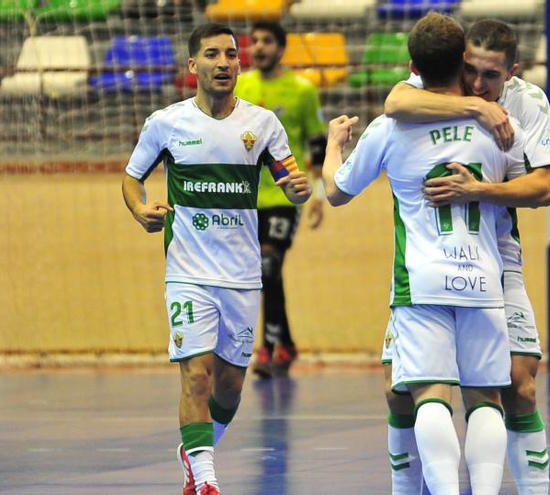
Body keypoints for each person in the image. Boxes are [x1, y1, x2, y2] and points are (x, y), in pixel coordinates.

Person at [323, 13, 526, 495]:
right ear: (464, 62)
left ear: (412, 64)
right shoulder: (499, 125)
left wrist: (335, 146)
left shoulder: (391, 127)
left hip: (421, 281)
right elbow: (524, 187)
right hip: (483, 276)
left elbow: (334, 191)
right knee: (485, 399)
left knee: (429, 393)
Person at [121, 23, 311, 495]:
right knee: (197, 375)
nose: (224, 62)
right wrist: (141, 209)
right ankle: (205, 480)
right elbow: (131, 178)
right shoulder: (166, 123)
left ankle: (196, 450)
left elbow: (290, 174)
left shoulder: (262, 123)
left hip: (242, 275)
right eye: (212, 54)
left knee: (229, 386)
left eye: (231, 54)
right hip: (188, 272)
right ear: (193, 66)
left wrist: (299, 186)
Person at [384, 19, 550, 494]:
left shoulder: (528, 101)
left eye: (492, 77)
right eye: (471, 71)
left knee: (518, 384)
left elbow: (544, 187)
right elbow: (395, 102)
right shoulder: (436, 88)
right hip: (429, 257)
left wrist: (479, 190)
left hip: (497, 253)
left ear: (513, 72)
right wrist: (476, 108)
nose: (479, 83)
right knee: (399, 391)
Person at [234, 21, 328, 378]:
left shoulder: (302, 91)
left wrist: (317, 198)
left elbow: (317, 150)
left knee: (268, 267)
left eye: (266, 41)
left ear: (281, 47)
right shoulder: (241, 87)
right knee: (259, 275)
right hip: (245, 199)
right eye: (254, 41)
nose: (258, 47)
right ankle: (287, 344)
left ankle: (269, 348)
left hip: (286, 195)